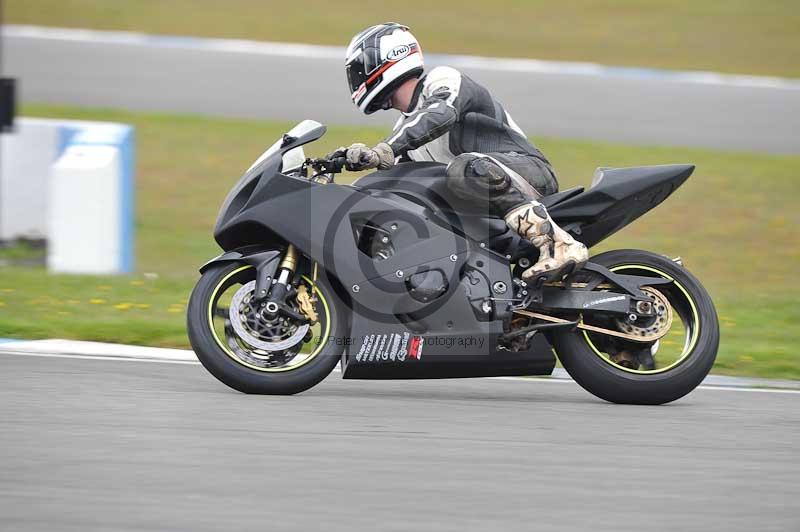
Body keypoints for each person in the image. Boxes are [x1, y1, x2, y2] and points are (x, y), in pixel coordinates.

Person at [342, 22, 588, 280]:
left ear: (390, 57)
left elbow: (439, 114)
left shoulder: (443, 80)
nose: (356, 80)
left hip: (528, 174)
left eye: (359, 70)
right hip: (487, 203)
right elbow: (392, 182)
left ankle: (560, 244)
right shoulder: (406, 130)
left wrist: (384, 149)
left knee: (466, 168)